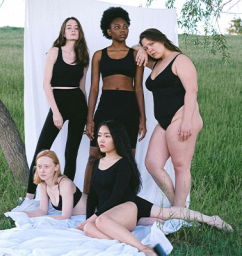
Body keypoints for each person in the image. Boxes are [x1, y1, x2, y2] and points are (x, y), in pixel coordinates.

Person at [76, 120, 232, 256]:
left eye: (107, 136)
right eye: (99, 135)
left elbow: (117, 197)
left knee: (167, 213)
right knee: (89, 228)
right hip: (113, 215)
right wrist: (87, 220)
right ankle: (126, 241)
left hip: (128, 207)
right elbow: (93, 195)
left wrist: (94, 217)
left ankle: (147, 248)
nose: (101, 140)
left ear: (116, 138)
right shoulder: (97, 164)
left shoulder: (123, 164)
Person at [133, 28, 204, 207]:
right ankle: (177, 207)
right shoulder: (156, 63)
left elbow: (192, 90)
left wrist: (187, 121)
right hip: (164, 122)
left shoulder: (180, 59)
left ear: (162, 40)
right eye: (146, 47)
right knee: (152, 163)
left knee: (181, 166)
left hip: (182, 116)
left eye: (152, 44)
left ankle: (179, 209)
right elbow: (133, 48)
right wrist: (140, 49)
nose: (150, 50)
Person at [83, 7, 147, 194]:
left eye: (125, 26)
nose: (122, 30)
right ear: (109, 31)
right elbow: (94, 88)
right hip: (106, 106)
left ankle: (127, 200)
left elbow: (138, 87)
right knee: (94, 155)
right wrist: (90, 118)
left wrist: (143, 118)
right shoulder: (99, 55)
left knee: (128, 157)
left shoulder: (136, 55)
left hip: (129, 108)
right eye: (117, 27)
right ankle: (87, 200)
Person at [26, 17, 89, 199]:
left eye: (76, 27)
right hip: (59, 102)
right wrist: (55, 111)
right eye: (69, 27)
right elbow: (46, 84)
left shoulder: (83, 55)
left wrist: (87, 117)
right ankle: (30, 196)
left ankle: (66, 196)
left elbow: (83, 88)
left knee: (71, 153)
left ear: (79, 32)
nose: (72, 30)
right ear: (63, 31)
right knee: (42, 148)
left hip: (78, 104)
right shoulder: (54, 52)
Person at [24, 150, 87, 219]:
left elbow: (65, 216)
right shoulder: (43, 184)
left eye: (47, 166)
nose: (42, 170)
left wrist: (41, 218)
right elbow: (42, 210)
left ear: (56, 167)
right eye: (39, 166)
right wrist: (24, 214)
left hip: (97, 210)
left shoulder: (65, 184)